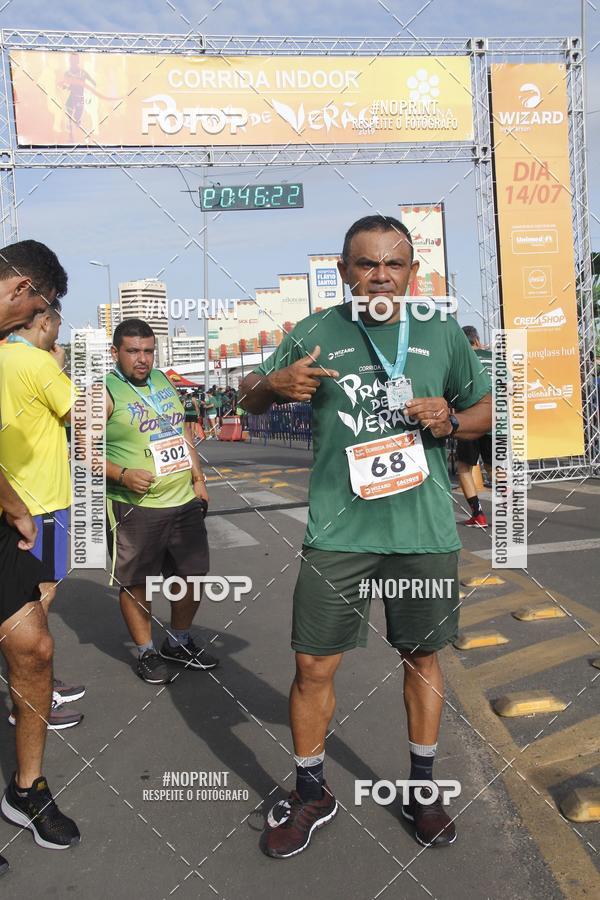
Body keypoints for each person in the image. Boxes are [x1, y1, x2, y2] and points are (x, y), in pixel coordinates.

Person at [240, 215, 492, 857]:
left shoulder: (439, 331)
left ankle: (423, 788)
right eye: (365, 264)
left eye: (393, 264)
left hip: (424, 528)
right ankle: (312, 791)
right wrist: (270, 384)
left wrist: (454, 417)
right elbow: (248, 398)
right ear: (344, 271)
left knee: (423, 658)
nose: (380, 274)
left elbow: (488, 407)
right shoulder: (316, 329)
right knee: (312, 663)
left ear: (413, 272)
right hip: (340, 530)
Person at [0, 240, 80, 874]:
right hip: (33, 506)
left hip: (9, 518)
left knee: (36, 647)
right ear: (23, 290)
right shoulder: (23, 357)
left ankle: (26, 789)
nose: (38, 320)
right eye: (43, 305)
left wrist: (12, 505)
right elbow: (84, 412)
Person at [104, 319, 218, 684]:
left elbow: (181, 432)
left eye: (148, 351)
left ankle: (178, 642)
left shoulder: (163, 382)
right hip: (135, 505)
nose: (142, 359)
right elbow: (80, 451)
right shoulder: (102, 392)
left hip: (183, 499)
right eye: (133, 351)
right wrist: (122, 474)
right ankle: (147, 651)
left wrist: (198, 478)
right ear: (115, 353)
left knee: (193, 575)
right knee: (137, 581)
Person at [0, 301, 84, 730]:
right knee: (40, 596)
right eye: (56, 325)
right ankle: (33, 690)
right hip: (44, 502)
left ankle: (32, 679)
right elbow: (85, 415)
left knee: (17, 599)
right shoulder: (38, 363)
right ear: (45, 322)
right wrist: (63, 366)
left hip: (13, 498)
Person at [455, 325, 493, 527]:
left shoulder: (460, 359)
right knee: (493, 467)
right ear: (477, 340)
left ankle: (478, 515)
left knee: (464, 467)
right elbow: (513, 387)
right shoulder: (496, 358)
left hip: (469, 418)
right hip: (495, 418)